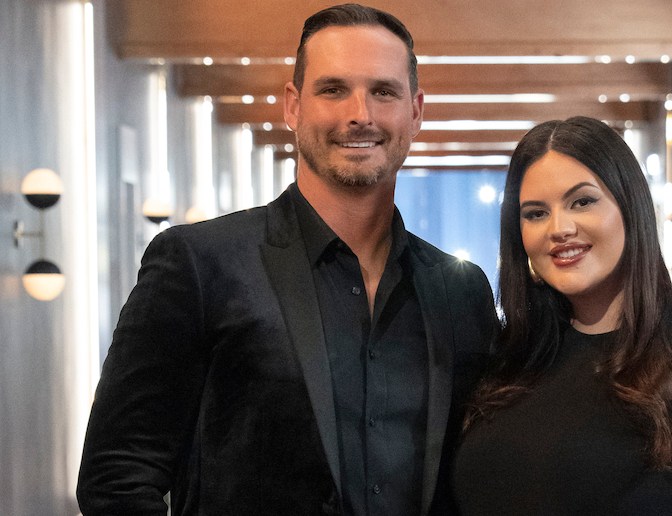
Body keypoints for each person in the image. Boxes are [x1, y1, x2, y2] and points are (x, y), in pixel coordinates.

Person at [77, 4, 498, 515]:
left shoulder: (460, 291)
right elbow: (117, 476)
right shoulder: (199, 264)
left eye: (383, 92)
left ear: (416, 111)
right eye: (333, 89)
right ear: (293, 106)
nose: (360, 114)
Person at [452, 116, 672, 515]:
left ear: (630, 206)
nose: (559, 228)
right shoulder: (515, 355)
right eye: (536, 213)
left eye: (582, 201)